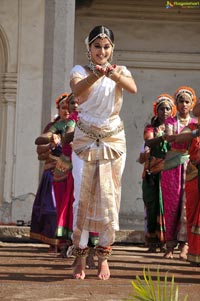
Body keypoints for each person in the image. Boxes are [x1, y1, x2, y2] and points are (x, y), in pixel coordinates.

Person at [69, 25, 137, 280]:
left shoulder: (120, 71)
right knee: (81, 197)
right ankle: (80, 257)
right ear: (89, 48)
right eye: (97, 46)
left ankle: (104, 257)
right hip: (85, 138)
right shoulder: (79, 71)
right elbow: (78, 91)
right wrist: (97, 75)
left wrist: (112, 74)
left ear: (112, 49)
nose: (102, 50)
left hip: (113, 140)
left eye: (106, 46)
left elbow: (133, 89)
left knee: (110, 199)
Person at [30, 93, 69, 253]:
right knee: (51, 208)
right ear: (58, 109)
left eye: (69, 107)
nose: (66, 111)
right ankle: (53, 243)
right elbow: (40, 152)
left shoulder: (77, 125)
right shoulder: (52, 128)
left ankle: (66, 242)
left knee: (67, 208)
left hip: (69, 172)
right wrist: (51, 146)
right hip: (52, 173)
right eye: (63, 107)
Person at [161, 86, 197, 259]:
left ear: (192, 105)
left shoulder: (194, 124)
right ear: (176, 103)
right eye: (181, 101)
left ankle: (185, 244)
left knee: (186, 206)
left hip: (190, 166)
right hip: (172, 167)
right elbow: (169, 138)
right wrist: (186, 136)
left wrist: (181, 137)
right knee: (171, 205)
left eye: (187, 102)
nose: (183, 104)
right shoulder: (171, 122)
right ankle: (169, 245)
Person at [139, 94, 176, 252]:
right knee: (153, 204)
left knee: (167, 205)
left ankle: (166, 240)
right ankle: (152, 240)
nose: (165, 111)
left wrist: (171, 135)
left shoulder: (176, 126)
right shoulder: (151, 128)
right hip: (152, 170)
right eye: (162, 108)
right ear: (157, 110)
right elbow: (148, 141)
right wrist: (163, 138)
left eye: (168, 108)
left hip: (169, 170)